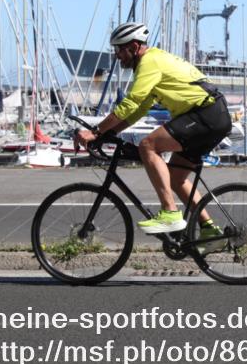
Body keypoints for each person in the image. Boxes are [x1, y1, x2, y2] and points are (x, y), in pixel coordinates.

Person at [76, 22, 231, 245]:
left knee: (148, 145)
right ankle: (210, 231)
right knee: (176, 179)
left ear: (135, 46)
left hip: (205, 114)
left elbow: (130, 103)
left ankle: (169, 213)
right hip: (211, 115)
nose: (117, 55)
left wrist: (96, 131)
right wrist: (106, 135)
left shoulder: (150, 62)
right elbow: (140, 109)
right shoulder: (152, 62)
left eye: (120, 49)